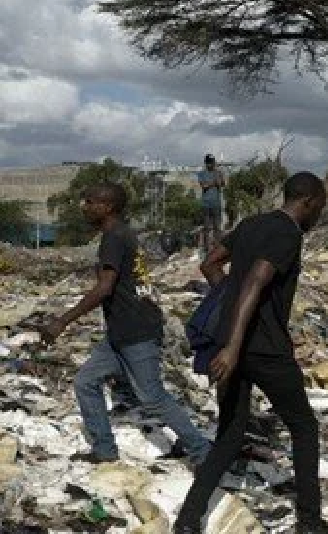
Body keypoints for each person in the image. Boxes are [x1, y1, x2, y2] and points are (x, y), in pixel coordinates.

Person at [174, 173, 328, 534]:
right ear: (307, 202)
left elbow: (210, 264)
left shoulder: (250, 224)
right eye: (319, 208)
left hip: (232, 348)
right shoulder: (288, 233)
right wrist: (233, 346)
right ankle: (309, 523)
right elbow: (256, 281)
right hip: (264, 350)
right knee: (304, 427)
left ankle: (187, 521)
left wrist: (228, 310)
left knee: (229, 435)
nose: (319, 216)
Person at [39, 182, 211, 465]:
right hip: (121, 330)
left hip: (136, 330)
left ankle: (202, 453)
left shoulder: (115, 237)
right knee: (86, 382)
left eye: (90, 201)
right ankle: (104, 450)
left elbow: (105, 287)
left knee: (152, 397)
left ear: (107, 207)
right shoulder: (122, 233)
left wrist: (62, 321)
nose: (84, 206)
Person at [197, 154, 225, 252]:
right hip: (206, 204)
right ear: (206, 163)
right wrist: (214, 182)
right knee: (207, 227)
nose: (211, 164)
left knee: (217, 226)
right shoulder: (201, 173)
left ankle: (218, 247)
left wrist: (216, 182)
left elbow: (222, 183)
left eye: (212, 162)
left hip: (216, 204)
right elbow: (203, 186)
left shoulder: (218, 172)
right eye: (209, 163)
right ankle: (206, 248)